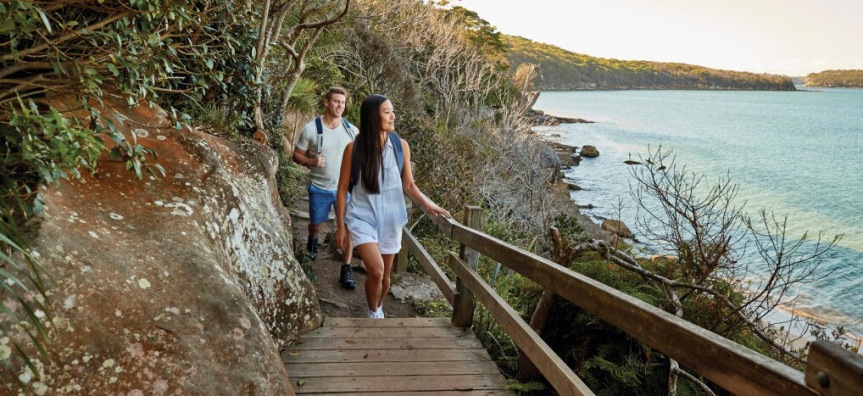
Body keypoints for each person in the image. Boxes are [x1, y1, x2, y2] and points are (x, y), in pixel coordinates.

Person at [335, 94, 451, 318]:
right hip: (362, 218)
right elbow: (342, 189)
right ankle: (373, 313)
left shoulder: (401, 146)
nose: (393, 116)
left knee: (386, 276)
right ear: (372, 117)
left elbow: (409, 184)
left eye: (392, 110)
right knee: (376, 271)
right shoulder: (354, 149)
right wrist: (341, 225)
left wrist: (429, 205)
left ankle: (378, 306)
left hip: (391, 220)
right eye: (387, 112)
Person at [293, 87, 359, 290]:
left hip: (346, 190)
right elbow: (296, 155)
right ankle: (312, 240)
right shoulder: (311, 129)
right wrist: (311, 161)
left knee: (349, 228)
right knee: (316, 224)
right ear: (326, 102)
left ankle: (346, 268)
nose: (340, 105)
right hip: (319, 188)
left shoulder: (352, 131)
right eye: (336, 101)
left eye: (343, 102)